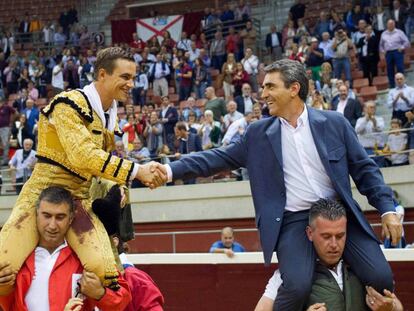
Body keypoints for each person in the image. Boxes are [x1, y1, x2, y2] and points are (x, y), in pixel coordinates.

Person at [157, 59, 401, 311]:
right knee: (296, 287)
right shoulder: (257, 134)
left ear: (294, 89)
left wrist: (387, 210)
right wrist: (167, 170)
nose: (263, 95)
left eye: (270, 87)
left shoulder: (335, 123)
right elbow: (216, 158)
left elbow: (365, 169)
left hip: (336, 214)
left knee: (381, 279)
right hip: (294, 220)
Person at [0, 47, 166, 295]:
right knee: (3, 268)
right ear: (102, 74)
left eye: (133, 77)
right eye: (124, 77)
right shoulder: (68, 104)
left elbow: (98, 166)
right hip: (41, 195)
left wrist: (123, 182)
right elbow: (84, 156)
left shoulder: (109, 116)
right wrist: (138, 171)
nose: (131, 84)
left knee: (107, 274)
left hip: (79, 198)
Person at [254, 198, 404, 311]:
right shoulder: (290, 273)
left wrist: (390, 309)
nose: (334, 244)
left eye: (340, 236)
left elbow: (396, 304)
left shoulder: (363, 265)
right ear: (310, 233)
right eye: (326, 236)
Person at [0, 186, 132, 310]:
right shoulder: (17, 257)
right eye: (46, 216)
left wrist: (101, 294)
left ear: (71, 218)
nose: (52, 225)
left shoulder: (89, 255)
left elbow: (123, 300)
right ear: (36, 214)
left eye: (60, 217)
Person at [379, 19, 410, 88]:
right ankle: (392, 85)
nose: (390, 25)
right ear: (387, 25)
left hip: (397, 52)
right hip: (388, 53)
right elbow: (381, 45)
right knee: (390, 69)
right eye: (389, 24)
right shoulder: (383, 34)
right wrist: (383, 51)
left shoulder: (399, 32)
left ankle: (402, 84)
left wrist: (402, 47)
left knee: (400, 68)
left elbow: (407, 42)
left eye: (392, 24)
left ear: (394, 24)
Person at [355, 101, 386, 167]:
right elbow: (358, 130)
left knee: (381, 170)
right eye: (369, 107)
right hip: (366, 150)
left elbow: (380, 129)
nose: (371, 109)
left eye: (373, 107)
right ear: (364, 109)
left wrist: (374, 122)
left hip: (379, 149)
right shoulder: (360, 120)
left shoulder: (380, 119)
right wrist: (366, 120)